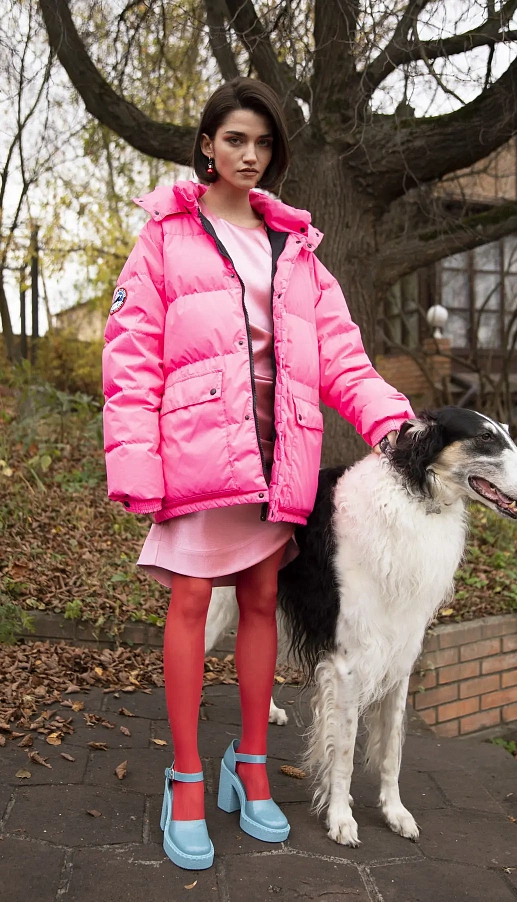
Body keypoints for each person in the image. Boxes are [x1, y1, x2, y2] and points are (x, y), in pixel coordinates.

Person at [102, 77, 414, 871]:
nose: (250, 155)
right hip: (196, 452)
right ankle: (185, 779)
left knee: (263, 600)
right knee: (189, 600)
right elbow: (130, 359)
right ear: (207, 145)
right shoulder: (165, 237)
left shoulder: (296, 248)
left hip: (279, 457)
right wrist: (135, 461)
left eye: (264, 142)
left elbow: (342, 356)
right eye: (235, 139)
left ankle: (249, 765)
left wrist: (393, 422)